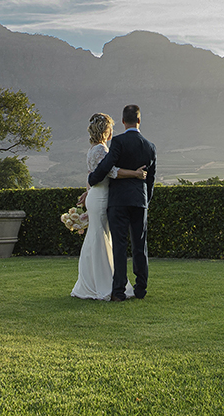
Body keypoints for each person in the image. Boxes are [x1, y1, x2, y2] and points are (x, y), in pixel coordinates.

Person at [71, 113, 146, 300]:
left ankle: (92, 283)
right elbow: (112, 172)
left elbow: (92, 176)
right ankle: (104, 284)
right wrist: (135, 174)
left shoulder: (93, 149)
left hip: (95, 195)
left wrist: (87, 193)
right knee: (101, 237)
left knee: (97, 236)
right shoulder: (101, 151)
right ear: (106, 131)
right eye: (111, 128)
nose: (113, 131)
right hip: (102, 197)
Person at [89, 104, 156, 301]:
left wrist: (93, 179)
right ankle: (141, 288)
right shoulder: (150, 146)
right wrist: (146, 200)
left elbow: (107, 166)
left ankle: (118, 291)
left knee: (119, 245)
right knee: (139, 245)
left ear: (123, 121)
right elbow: (150, 179)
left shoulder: (118, 142)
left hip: (118, 201)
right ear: (139, 121)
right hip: (139, 200)